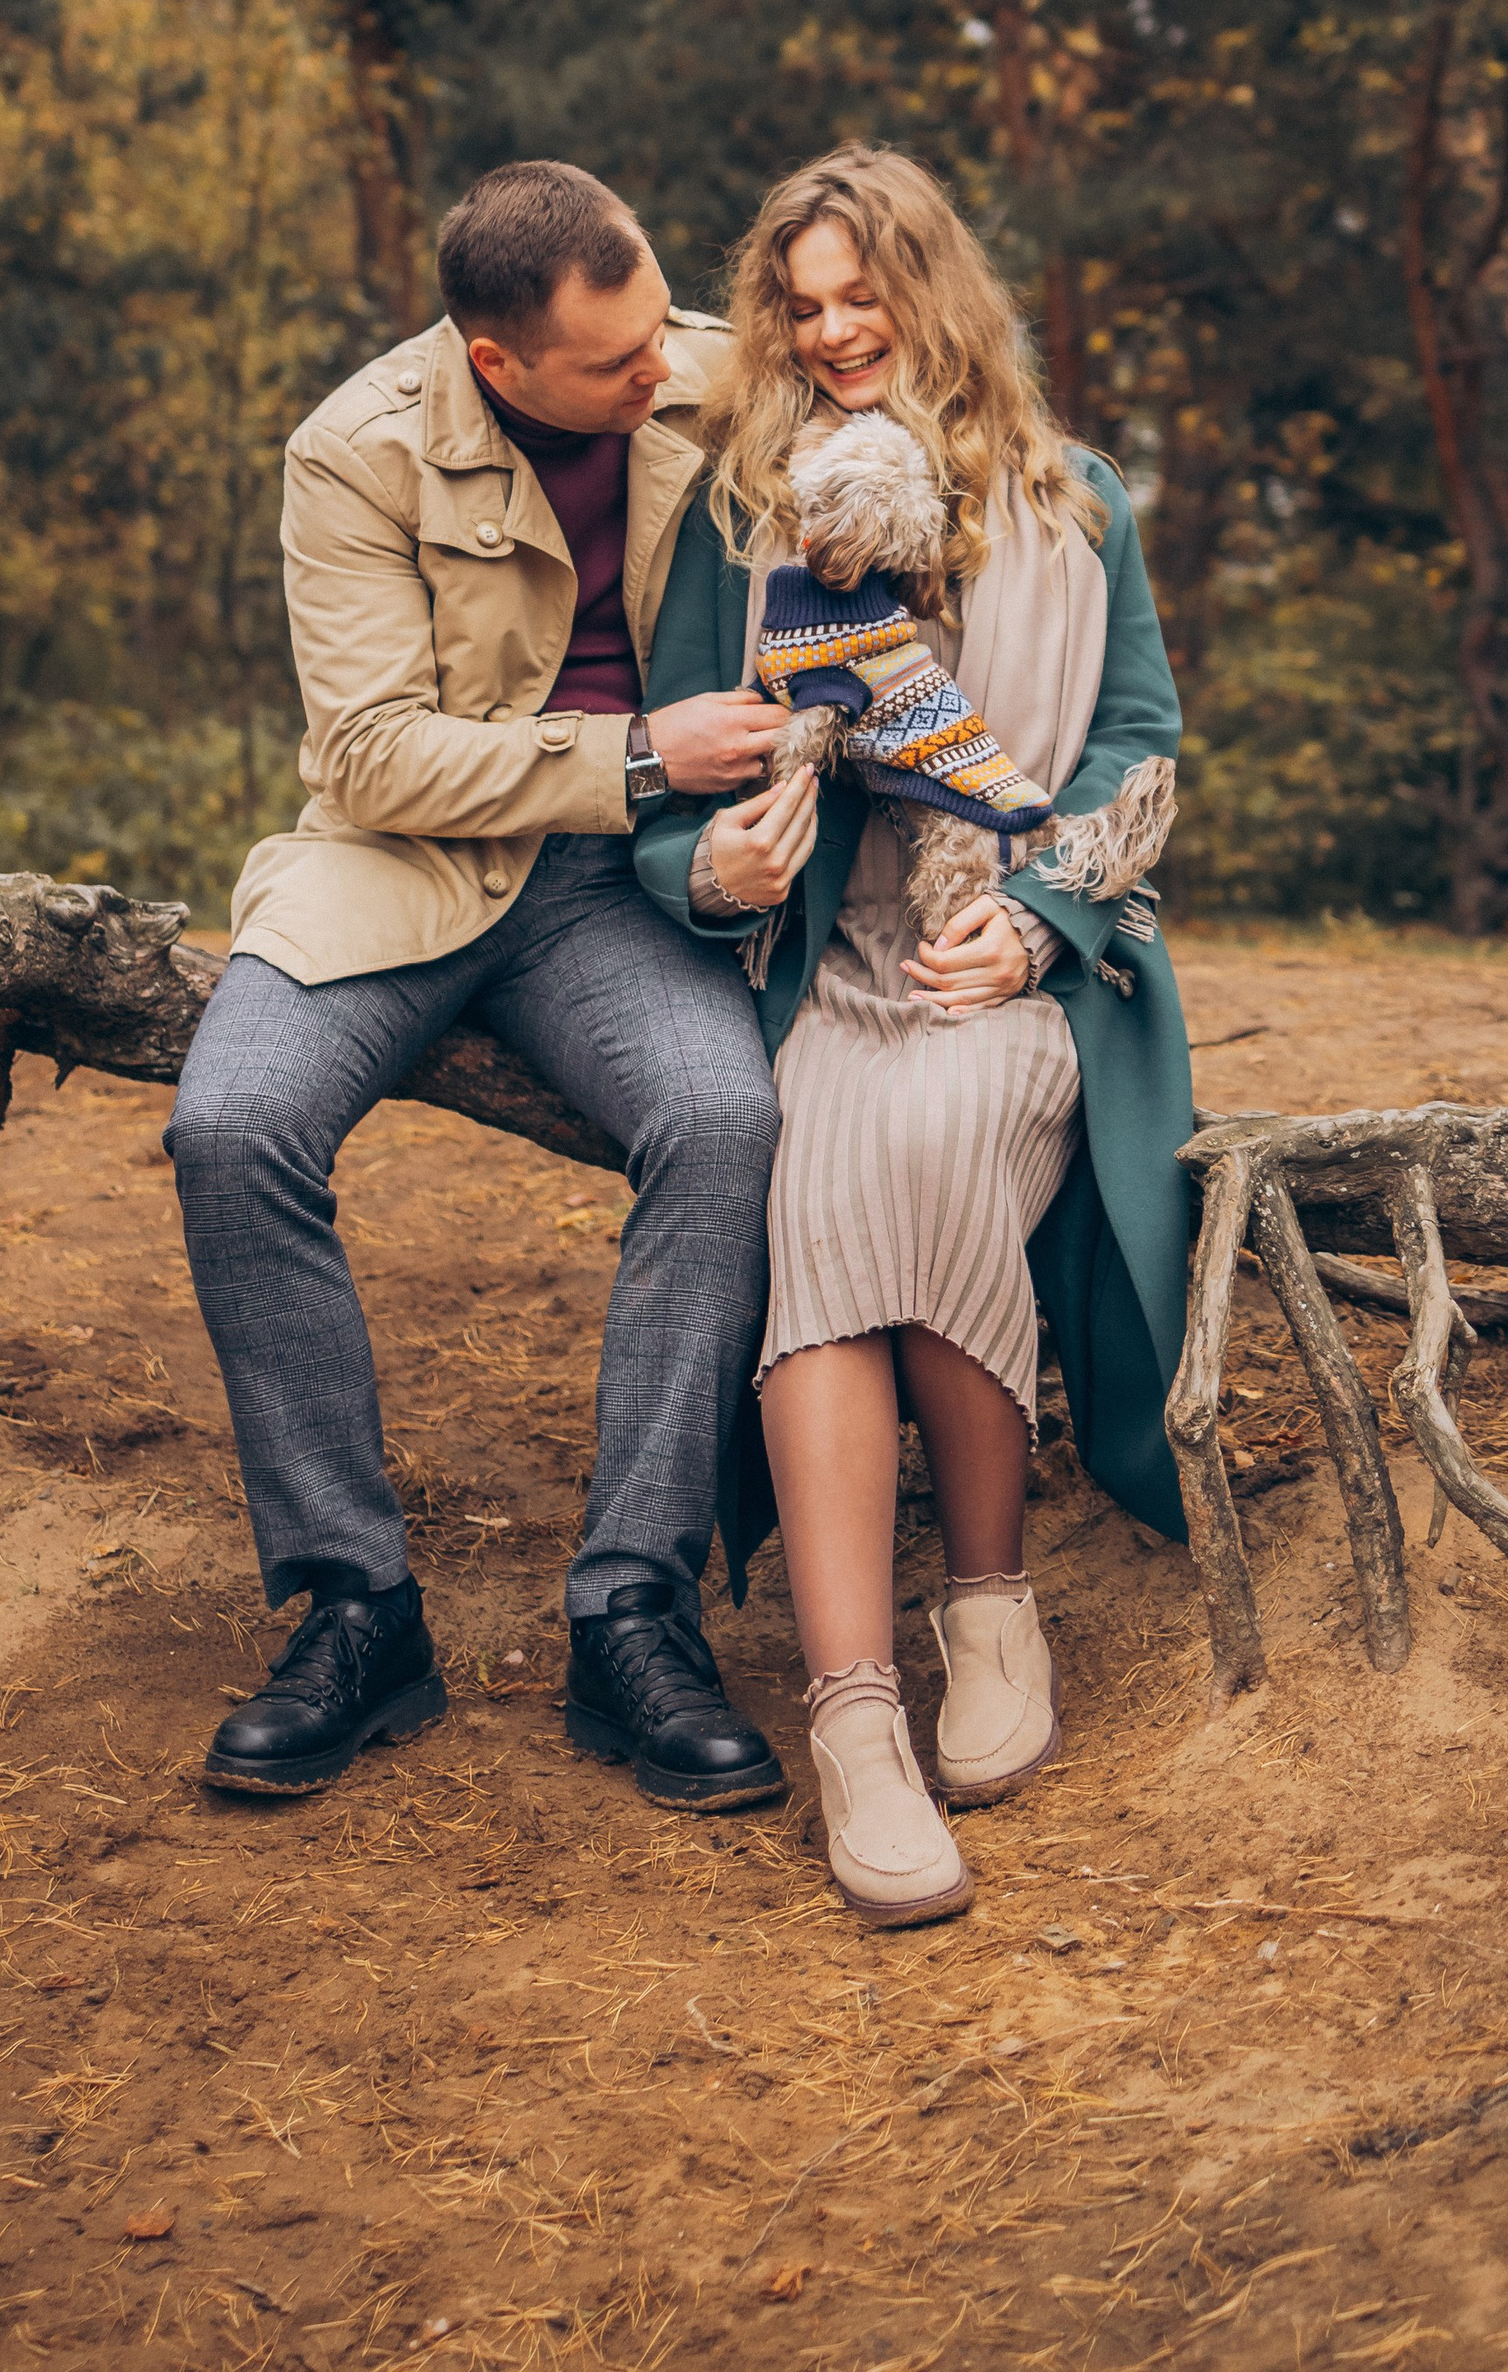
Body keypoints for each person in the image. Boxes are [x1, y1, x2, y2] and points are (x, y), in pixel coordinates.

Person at [169, 161, 792, 1813]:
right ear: (497, 362)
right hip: (405, 868)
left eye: (664, 325)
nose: (663, 371)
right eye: (616, 361)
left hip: (622, 888)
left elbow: (931, 421)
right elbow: (367, 754)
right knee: (231, 1129)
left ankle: (635, 1609)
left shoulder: (704, 368)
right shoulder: (351, 449)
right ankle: (354, 1609)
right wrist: (642, 748)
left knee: (726, 1121)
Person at [631, 148, 1193, 1929]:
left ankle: (993, 1595)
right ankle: (857, 1718)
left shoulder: (1074, 499)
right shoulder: (750, 520)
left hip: (1006, 951)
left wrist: (1041, 920)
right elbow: (671, 780)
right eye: (797, 305)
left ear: (933, 293)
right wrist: (715, 861)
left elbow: (1138, 749)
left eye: (860, 292)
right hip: (824, 969)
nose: (831, 328)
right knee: (808, 1191)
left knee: (947, 1134)